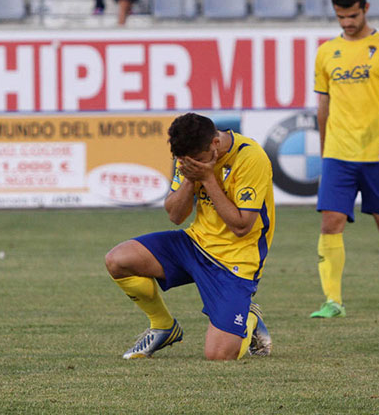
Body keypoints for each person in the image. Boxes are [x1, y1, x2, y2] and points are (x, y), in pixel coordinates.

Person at [104, 113, 274, 360]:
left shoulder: (251, 157)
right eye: (184, 160)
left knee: (219, 355)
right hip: (194, 244)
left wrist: (207, 177)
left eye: (197, 160)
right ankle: (163, 326)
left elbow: (242, 225)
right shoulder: (190, 158)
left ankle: (249, 317)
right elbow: (175, 215)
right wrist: (189, 180)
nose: (192, 164)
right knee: (118, 260)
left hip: (236, 260)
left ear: (215, 143)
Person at [310, 0, 379, 319]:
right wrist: (325, 150)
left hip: (377, 153)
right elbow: (322, 107)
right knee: (330, 222)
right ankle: (332, 301)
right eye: (340, 17)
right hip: (339, 153)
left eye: (352, 16)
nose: (347, 23)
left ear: (365, 9)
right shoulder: (326, 53)